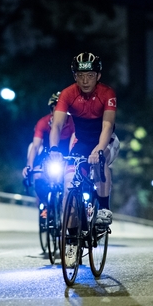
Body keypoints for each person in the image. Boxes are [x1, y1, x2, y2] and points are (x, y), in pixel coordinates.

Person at [49, 52, 119, 266]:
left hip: (106, 140)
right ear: (74, 76)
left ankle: (104, 208)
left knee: (100, 160)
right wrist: (53, 148)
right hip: (81, 143)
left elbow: (107, 126)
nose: (85, 80)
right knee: (70, 188)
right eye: (80, 75)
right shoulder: (68, 94)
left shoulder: (107, 93)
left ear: (98, 75)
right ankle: (71, 241)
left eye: (90, 75)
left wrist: (99, 148)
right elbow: (58, 125)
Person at [22, 92, 75, 215]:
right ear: (51, 110)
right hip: (48, 153)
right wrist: (29, 165)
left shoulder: (72, 122)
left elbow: (74, 142)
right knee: (37, 175)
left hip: (67, 154)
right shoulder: (43, 122)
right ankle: (44, 205)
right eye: (55, 108)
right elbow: (35, 146)